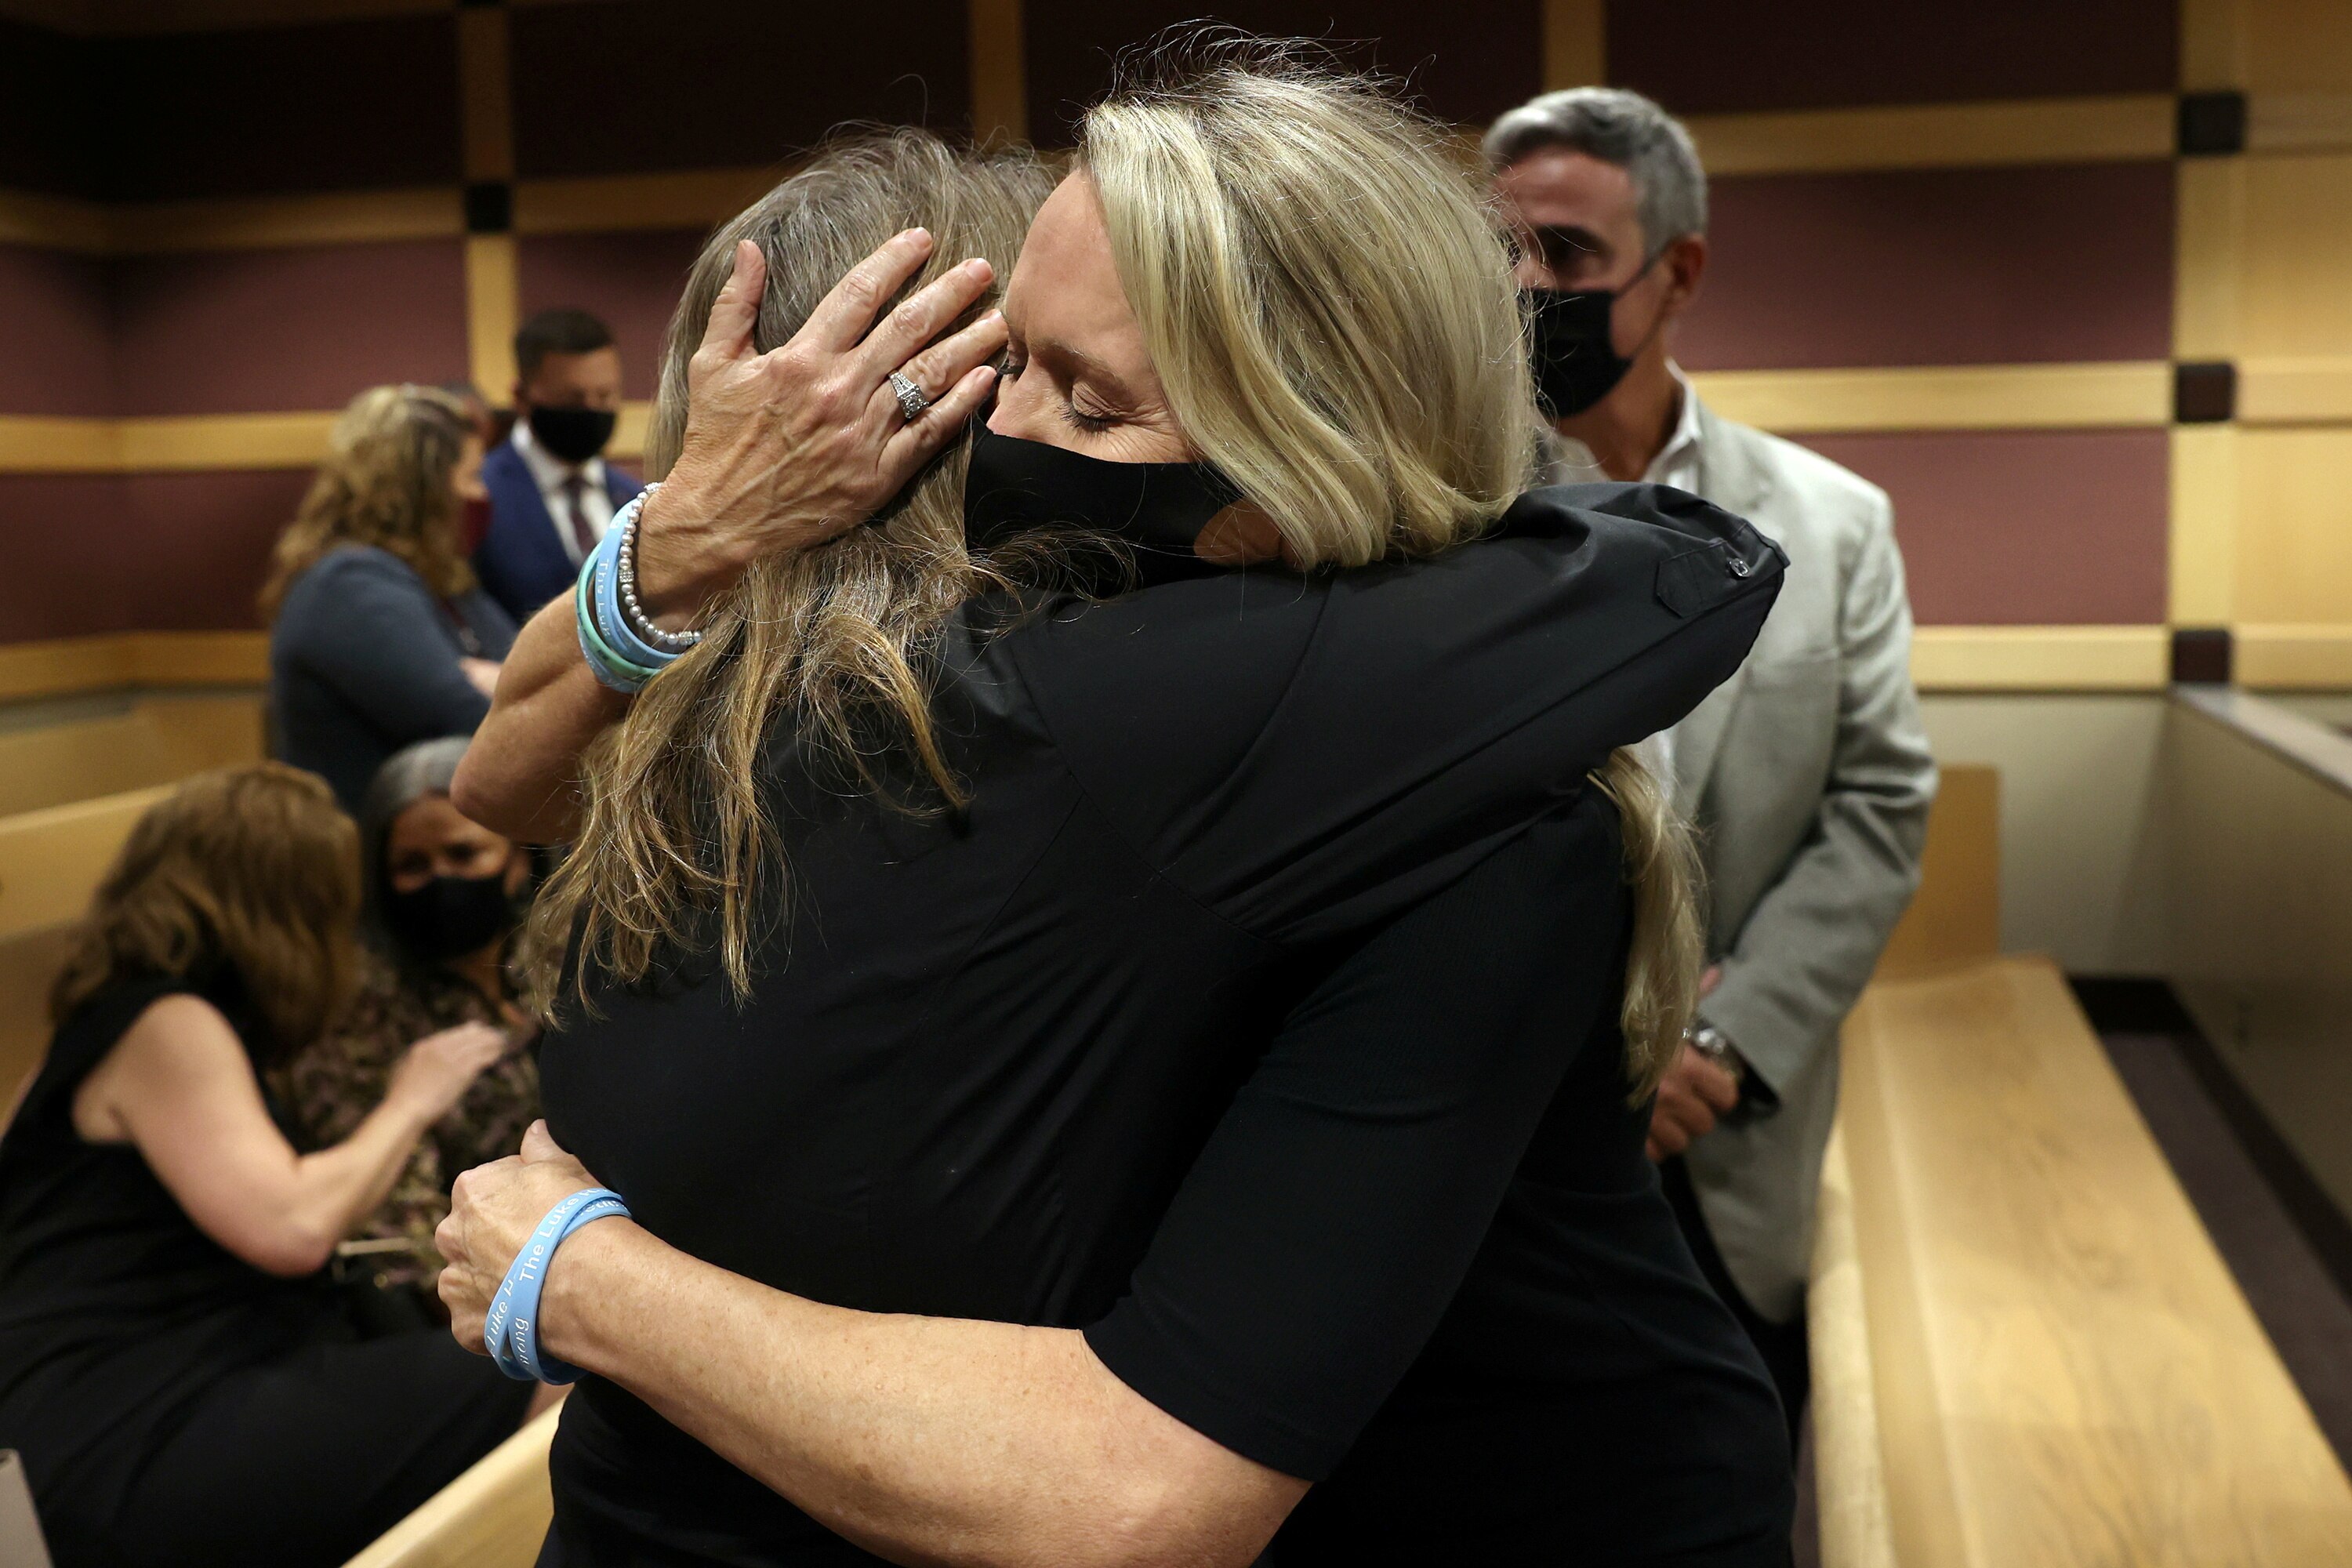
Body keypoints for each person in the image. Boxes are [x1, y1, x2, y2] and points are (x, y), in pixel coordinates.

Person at [441, 71, 1788, 1568]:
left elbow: (1136, 1489)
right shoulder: (930, 713)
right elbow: (507, 784)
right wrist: (692, 528)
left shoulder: (1370, 774)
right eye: (1007, 365)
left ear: (1308, 455)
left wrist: (579, 1278)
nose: (996, 441)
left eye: (1084, 399)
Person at [1488, 85, 1938, 1436]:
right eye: (1503, 251)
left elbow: (1878, 806)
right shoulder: (1442, 514)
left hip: (1732, 1135)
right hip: (1500, 1142)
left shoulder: (1835, 522)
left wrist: (1718, 1042)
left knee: (1735, 1457)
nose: (1528, 288)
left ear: (1677, 273)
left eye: (1569, 254)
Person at [0, 764, 548, 1568]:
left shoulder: (102, 1024)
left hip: (99, 1412)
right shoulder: (166, 1021)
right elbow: (293, 1226)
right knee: (556, 1366)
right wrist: (411, 1098)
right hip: (130, 1422)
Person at [281, 737, 540, 1320]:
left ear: (517, 859)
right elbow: (399, 1224)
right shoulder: (355, 1003)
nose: (442, 880)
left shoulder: (561, 954)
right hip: (478, 1296)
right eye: (412, 866)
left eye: (463, 854)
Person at [263, 384, 518, 812]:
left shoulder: (442, 577)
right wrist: (500, 684)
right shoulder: (348, 587)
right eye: (472, 477)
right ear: (424, 490)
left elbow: (526, 670)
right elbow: (472, 722)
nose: (483, 495)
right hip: (373, 846)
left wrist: (495, 679)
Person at [473, 308, 644, 622]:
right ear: (521, 397)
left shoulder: (635, 498)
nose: (591, 411)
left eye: (604, 396)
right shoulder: (480, 495)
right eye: (573, 399)